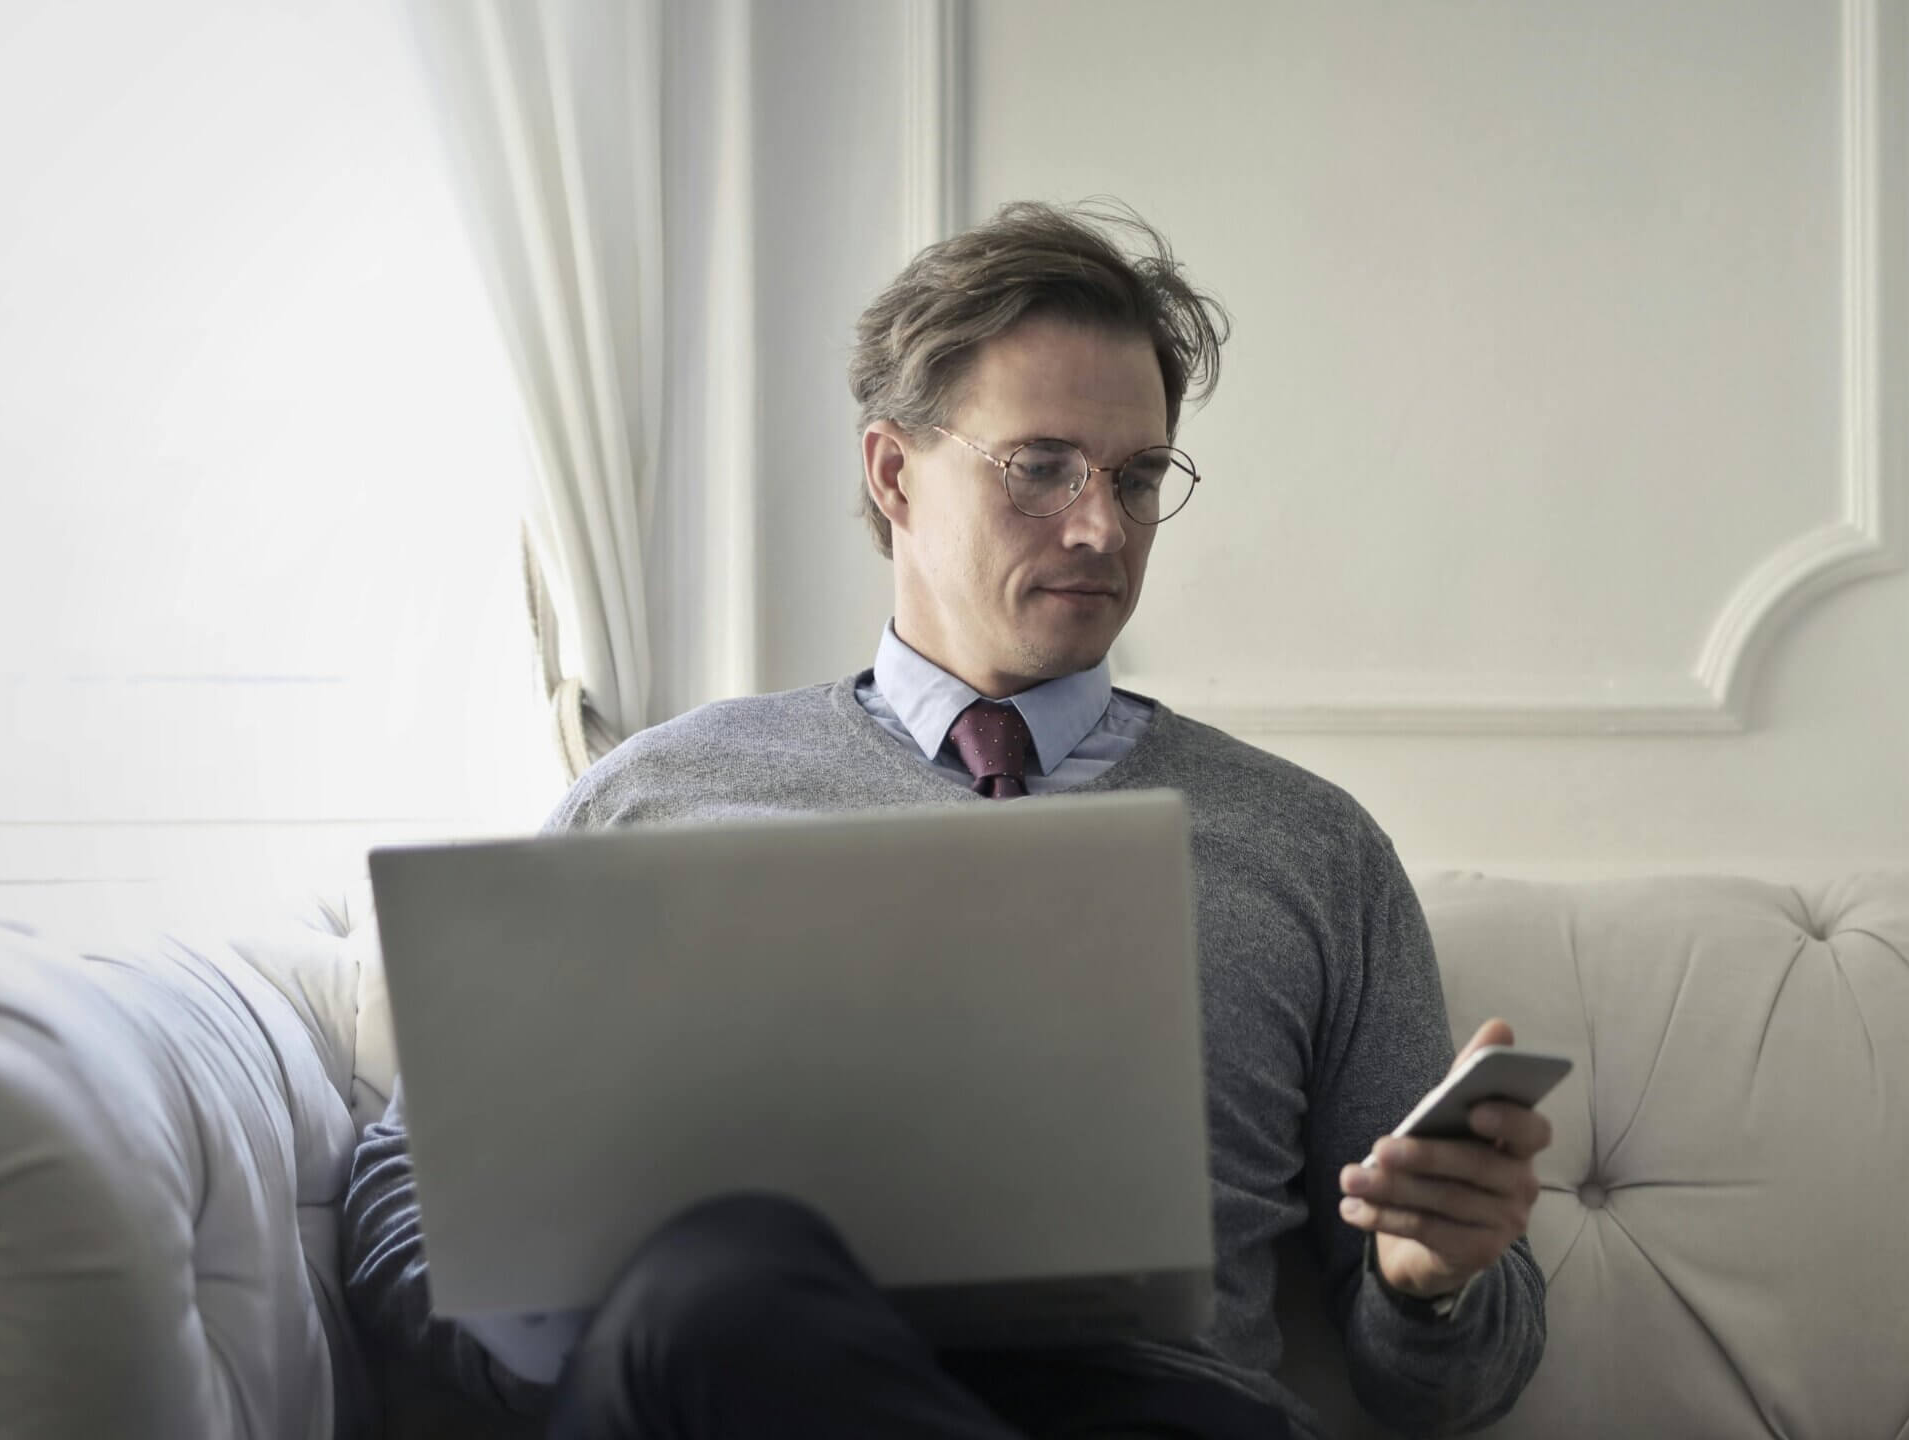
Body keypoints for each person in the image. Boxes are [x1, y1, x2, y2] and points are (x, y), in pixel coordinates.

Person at [343, 200, 1550, 1440]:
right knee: (716, 1282)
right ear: (892, 473)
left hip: (1152, 1411)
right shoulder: (658, 798)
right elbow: (406, 1191)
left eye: (1136, 479)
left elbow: (1452, 1387)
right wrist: (574, 1329)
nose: (1100, 526)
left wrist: (1431, 1284)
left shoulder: (1309, 847)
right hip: (740, 1377)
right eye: (1041, 467)